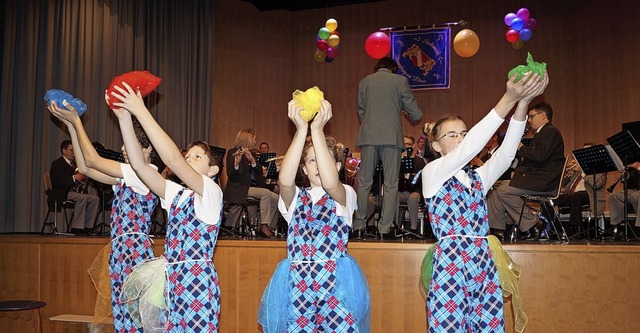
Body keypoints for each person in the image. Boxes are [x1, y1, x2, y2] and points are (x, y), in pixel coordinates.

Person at [420, 71, 548, 333]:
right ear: (436, 146)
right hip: (451, 265)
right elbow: (471, 148)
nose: (461, 139)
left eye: (464, 133)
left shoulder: (477, 178)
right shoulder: (432, 174)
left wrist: (522, 103)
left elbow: (507, 153)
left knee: (489, 327)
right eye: (452, 135)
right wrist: (508, 97)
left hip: (483, 263)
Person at [111, 82, 224, 332]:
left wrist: (141, 110)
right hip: (172, 283)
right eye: (188, 156)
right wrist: (124, 119)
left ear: (212, 170)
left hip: (197, 283)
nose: (188, 160)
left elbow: (172, 158)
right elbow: (139, 167)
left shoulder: (211, 192)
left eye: (197, 157)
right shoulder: (177, 194)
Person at [258, 99, 370, 332]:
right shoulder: (296, 197)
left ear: (338, 166)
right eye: (311, 160)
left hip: (334, 284)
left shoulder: (345, 194)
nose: (318, 165)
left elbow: (330, 183)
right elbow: (284, 181)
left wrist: (317, 130)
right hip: (299, 282)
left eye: (324, 160)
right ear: (304, 168)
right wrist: (300, 130)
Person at [48, 100, 158, 332]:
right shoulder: (128, 175)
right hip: (119, 250)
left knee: (135, 313)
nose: (123, 150)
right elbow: (86, 169)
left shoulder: (145, 173)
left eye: (130, 145)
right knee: (122, 313)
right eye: (124, 146)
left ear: (147, 150)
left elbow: (92, 160)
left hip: (133, 250)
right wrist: (70, 127)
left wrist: (77, 121)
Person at [354, 56, 423, 239]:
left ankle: (359, 225)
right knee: (391, 184)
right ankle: (384, 228)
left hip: (368, 136)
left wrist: (371, 123)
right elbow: (413, 112)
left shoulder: (364, 82)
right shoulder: (400, 81)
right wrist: (414, 115)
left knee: (364, 182)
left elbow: (361, 110)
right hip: (392, 137)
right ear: (393, 69)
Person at [488, 101, 565, 240]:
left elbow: (540, 156)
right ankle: (497, 232)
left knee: (502, 191)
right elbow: (534, 158)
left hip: (544, 181)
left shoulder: (550, 131)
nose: (529, 120)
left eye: (531, 116)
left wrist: (520, 146)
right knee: (496, 190)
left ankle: (534, 223)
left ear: (543, 115)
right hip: (536, 179)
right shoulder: (542, 133)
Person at [224, 129, 279, 238]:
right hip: (238, 188)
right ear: (247, 139)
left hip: (248, 187)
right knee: (265, 193)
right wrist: (236, 163)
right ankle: (264, 226)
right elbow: (231, 174)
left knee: (276, 198)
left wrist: (253, 161)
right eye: (254, 139)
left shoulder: (252, 153)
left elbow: (259, 174)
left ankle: (267, 225)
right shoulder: (232, 152)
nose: (255, 141)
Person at [553, 143, 607, 238]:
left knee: (575, 196)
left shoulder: (600, 167)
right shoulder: (577, 166)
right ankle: (552, 228)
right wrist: (566, 171)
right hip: (571, 195)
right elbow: (563, 184)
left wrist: (583, 172)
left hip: (589, 195)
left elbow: (597, 184)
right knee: (550, 200)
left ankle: (576, 229)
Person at [49, 139, 100, 235]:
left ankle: (87, 227)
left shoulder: (74, 164)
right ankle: (77, 228)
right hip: (62, 192)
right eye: (71, 150)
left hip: (72, 192)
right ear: (64, 151)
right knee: (83, 198)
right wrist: (74, 177)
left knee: (95, 199)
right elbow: (56, 182)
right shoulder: (57, 163)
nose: (73, 153)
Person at [398, 135, 425, 235]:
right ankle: (396, 227)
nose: (405, 147)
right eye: (403, 144)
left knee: (413, 198)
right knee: (392, 197)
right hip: (400, 191)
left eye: (408, 144)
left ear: (413, 146)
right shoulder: (396, 161)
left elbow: (419, 180)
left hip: (414, 191)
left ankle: (413, 229)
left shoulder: (419, 161)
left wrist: (409, 177)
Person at [608, 161, 640, 228]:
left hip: (637, 192)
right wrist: (624, 175)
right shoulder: (631, 171)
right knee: (613, 196)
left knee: (634, 196)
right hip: (633, 190)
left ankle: (639, 225)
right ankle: (619, 225)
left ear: (638, 162)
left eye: (632, 163)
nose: (629, 165)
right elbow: (629, 185)